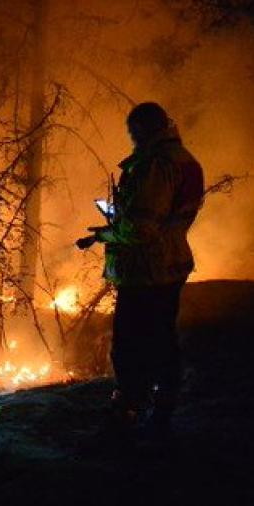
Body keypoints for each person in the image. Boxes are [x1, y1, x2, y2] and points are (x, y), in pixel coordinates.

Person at [77, 102, 204, 441]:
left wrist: (106, 232)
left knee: (131, 344)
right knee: (161, 340)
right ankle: (159, 412)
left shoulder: (156, 165)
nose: (132, 140)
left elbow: (142, 228)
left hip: (148, 270)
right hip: (168, 265)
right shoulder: (183, 159)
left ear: (145, 130)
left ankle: (130, 413)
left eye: (134, 133)